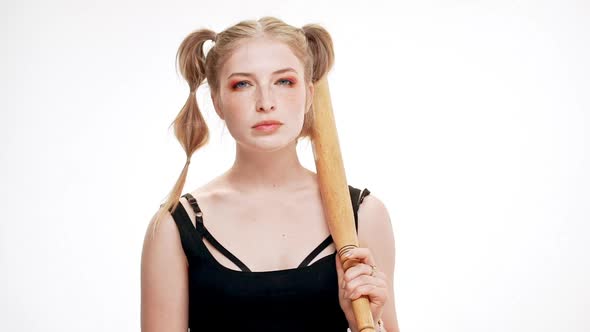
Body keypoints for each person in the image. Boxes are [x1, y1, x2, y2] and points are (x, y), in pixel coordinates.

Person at [140, 16, 400, 332]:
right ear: (217, 102)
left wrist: (367, 319)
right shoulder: (174, 228)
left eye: (284, 81)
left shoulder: (365, 215)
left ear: (309, 92)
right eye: (242, 84)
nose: (266, 103)